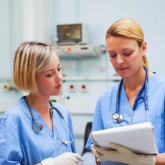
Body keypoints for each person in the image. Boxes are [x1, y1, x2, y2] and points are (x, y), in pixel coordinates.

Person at [85, 18, 165, 165]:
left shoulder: (162, 91)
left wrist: (148, 161)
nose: (119, 61)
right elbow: (94, 152)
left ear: (143, 48)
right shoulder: (105, 99)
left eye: (127, 53)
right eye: (112, 55)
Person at [0, 41, 83, 165]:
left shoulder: (62, 113)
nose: (59, 77)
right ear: (30, 77)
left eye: (59, 69)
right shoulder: (13, 120)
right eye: (49, 74)